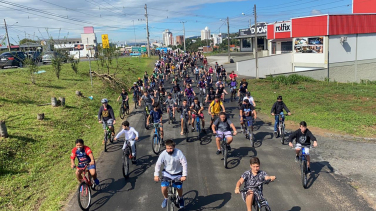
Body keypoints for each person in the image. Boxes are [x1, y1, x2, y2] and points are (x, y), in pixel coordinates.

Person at [154, 139, 187, 209]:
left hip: (177, 173)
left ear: (174, 147)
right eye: (167, 148)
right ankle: (165, 198)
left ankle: (180, 198)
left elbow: (184, 163)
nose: (169, 150)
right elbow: (158, 164)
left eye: (171, 148)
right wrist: (156, 175)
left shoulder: (179, 153)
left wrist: (184, 175)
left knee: (179, 187)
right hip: (167, 173)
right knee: (164, 187)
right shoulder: (163, 154)